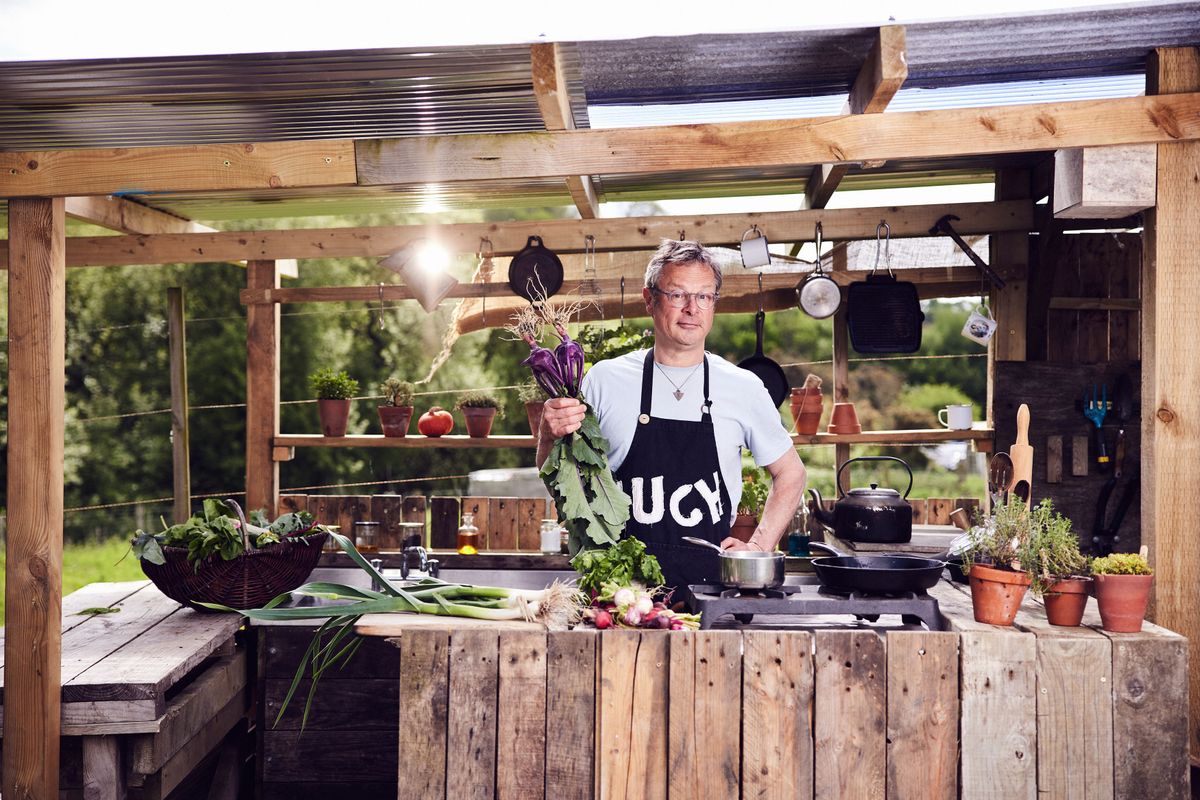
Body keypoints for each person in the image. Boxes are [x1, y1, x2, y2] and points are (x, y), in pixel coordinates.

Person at [536, 239, 807, 590]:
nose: (692, 309)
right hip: (620, 589)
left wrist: (757, 546)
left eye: (704, 296)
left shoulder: (743, 387)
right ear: (650, 300)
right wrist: (548, 433)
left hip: (710, 591)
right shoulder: (605, 379)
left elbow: (791, 473)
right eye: (678, 295)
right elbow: (559, 476)